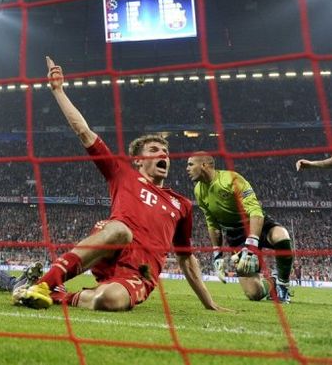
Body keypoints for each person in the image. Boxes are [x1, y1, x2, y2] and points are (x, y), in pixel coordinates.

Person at [12, 57, 229, 312]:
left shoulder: (181, 204)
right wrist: (59, 91)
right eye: (154, 150)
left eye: (166, 153)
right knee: (120, 230)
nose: (163, 155)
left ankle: (60, 294)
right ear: (138, 159)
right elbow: (84, 131)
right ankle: (44, 284)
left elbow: (186, 258)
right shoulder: (122, 174)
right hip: (113, 246)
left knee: (107, 300)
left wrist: (209, 303)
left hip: (139, 273)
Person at [186, 152, 294, 303]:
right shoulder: (198, 190)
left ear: (204, 165)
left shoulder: (232, 179)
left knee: (281, 235)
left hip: (256, 225)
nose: (187, 168)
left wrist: (252, 244)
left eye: (191, 164)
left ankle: (283, 285)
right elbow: (212, 223)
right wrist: (217, 254)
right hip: (235, 235)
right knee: (254, 294)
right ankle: (273, 284)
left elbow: (255, 210)